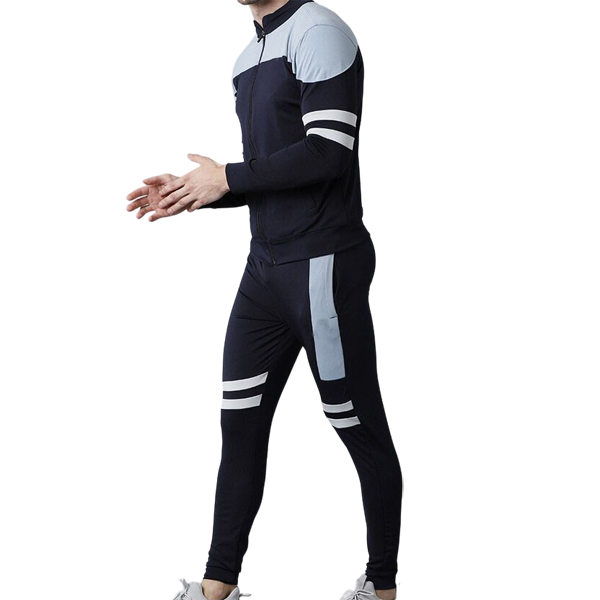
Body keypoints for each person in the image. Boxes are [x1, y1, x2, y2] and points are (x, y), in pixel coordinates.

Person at [125, 1, 402, 599]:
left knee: (357, 426)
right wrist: (194, 190)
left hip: (322, 263)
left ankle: (391, 584)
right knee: (240, 425)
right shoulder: (249, 53)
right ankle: (213, 586)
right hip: (263, 270)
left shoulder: (318, 30)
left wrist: (227, 177)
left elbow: (328, 152)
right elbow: (269, 172)